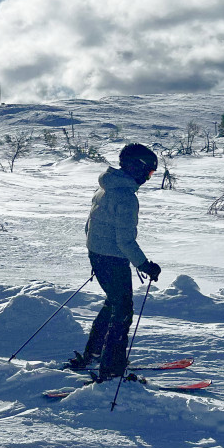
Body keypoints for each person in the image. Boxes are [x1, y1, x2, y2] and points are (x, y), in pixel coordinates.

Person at [67, 143, 162, 381]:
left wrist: (97, 255)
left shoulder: (105, 188)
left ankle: (96, 353)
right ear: (136, 168)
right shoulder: (126, 197)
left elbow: (89, 226)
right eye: (149, 173)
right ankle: (111, 371)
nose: (149, 179)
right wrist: (145, 265)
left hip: (98, 255)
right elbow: (125, 241)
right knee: (122, 312)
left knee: (114, 304)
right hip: (113, 260)